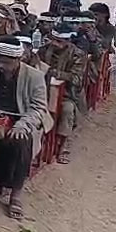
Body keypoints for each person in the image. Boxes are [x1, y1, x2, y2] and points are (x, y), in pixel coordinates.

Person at [0, 36, 53, 220]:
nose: (1, 65)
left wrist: (22, 125)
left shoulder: (35, 76)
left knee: (21, 140)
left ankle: (16, 193)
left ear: (18, 59)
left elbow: (38, 108)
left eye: (6, 62)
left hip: (21, 118)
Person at [38, 23, 85, 164]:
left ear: (68, 41)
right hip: (42, 90)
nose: (55, 44)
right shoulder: (43, 50)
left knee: (67, 109)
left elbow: (76, 79)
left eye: (59, 41)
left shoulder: (77, 54)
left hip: (66, 93)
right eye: (53, 40)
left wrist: (55, 73)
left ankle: (63, 145)